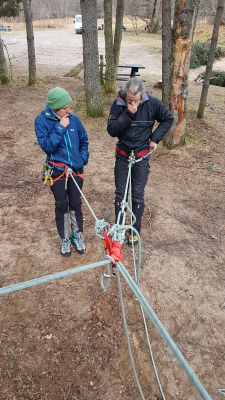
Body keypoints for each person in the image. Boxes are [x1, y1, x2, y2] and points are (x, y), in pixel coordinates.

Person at [107, 78, 173, 246]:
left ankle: (135, 230)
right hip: (123, 155)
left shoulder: (152, 103)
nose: (133, 103)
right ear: (125, 95)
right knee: (120, 194)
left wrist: (155, 139)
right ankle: (119, 229)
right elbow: (112, 130)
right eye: (129, 100)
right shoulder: (118, 104)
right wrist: (128, 113)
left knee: (137, 194)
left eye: (136, 100)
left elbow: (168, 119)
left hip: (141, 156)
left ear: (142, 95)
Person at [35, 87, 89, 257]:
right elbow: (47, 146)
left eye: (69, 106)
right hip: (56, 171)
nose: (69, 111)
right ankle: (65, 237)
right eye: (65, 108)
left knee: (75, 203)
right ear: (54, 109)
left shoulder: (74, 120)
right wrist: (60, 127)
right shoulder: (41, 121)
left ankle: (77, 234)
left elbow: (84, 141)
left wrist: (82, 159)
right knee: (61, 205)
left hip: (75, 170)